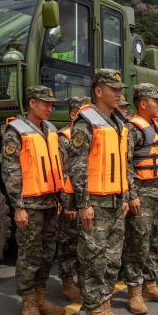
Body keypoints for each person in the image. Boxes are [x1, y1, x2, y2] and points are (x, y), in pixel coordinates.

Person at [65, 69, 133, 315]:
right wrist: (83, 204)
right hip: (95, 202)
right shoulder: (86, 122)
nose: (118, 93)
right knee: (93, 261)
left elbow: (124, 163)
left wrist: (126, 195)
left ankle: (105, 309)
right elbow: (77, 165)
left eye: (119, 89)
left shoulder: (117, 121)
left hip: (116, 202)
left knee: (112, 260)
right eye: (112, 89)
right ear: (98, 91)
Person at [1, 85, 66, 315]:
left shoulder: (51, 129)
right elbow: (11, 171)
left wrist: (61, 199)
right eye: (45, 103)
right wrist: (18, 206)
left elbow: (59, 164)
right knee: (29, 255)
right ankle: (28, 301)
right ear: (32, 103)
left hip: (51, 202)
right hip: (29, 204)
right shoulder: (15, 131)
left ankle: (41, 296)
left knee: (48, 253)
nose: (50, 107)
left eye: (51, 104)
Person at [121, 83, 158, 315]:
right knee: (138, 246)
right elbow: (125, 165)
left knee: (157, 242)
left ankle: (150, 286)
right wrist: (131, 195)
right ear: (143, 103)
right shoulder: (132, 129)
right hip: (141, 196)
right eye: (156, 101)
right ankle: (134, 291)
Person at [57, 96, 91, 303]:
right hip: (70, 200)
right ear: (73, 114)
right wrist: (67, 202)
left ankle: (82, 280)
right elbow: (63, 172)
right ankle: (68, 282)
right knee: (69, 244)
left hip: (84, 197)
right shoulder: (64, 138)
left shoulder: (88, 133)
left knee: (83, 243)